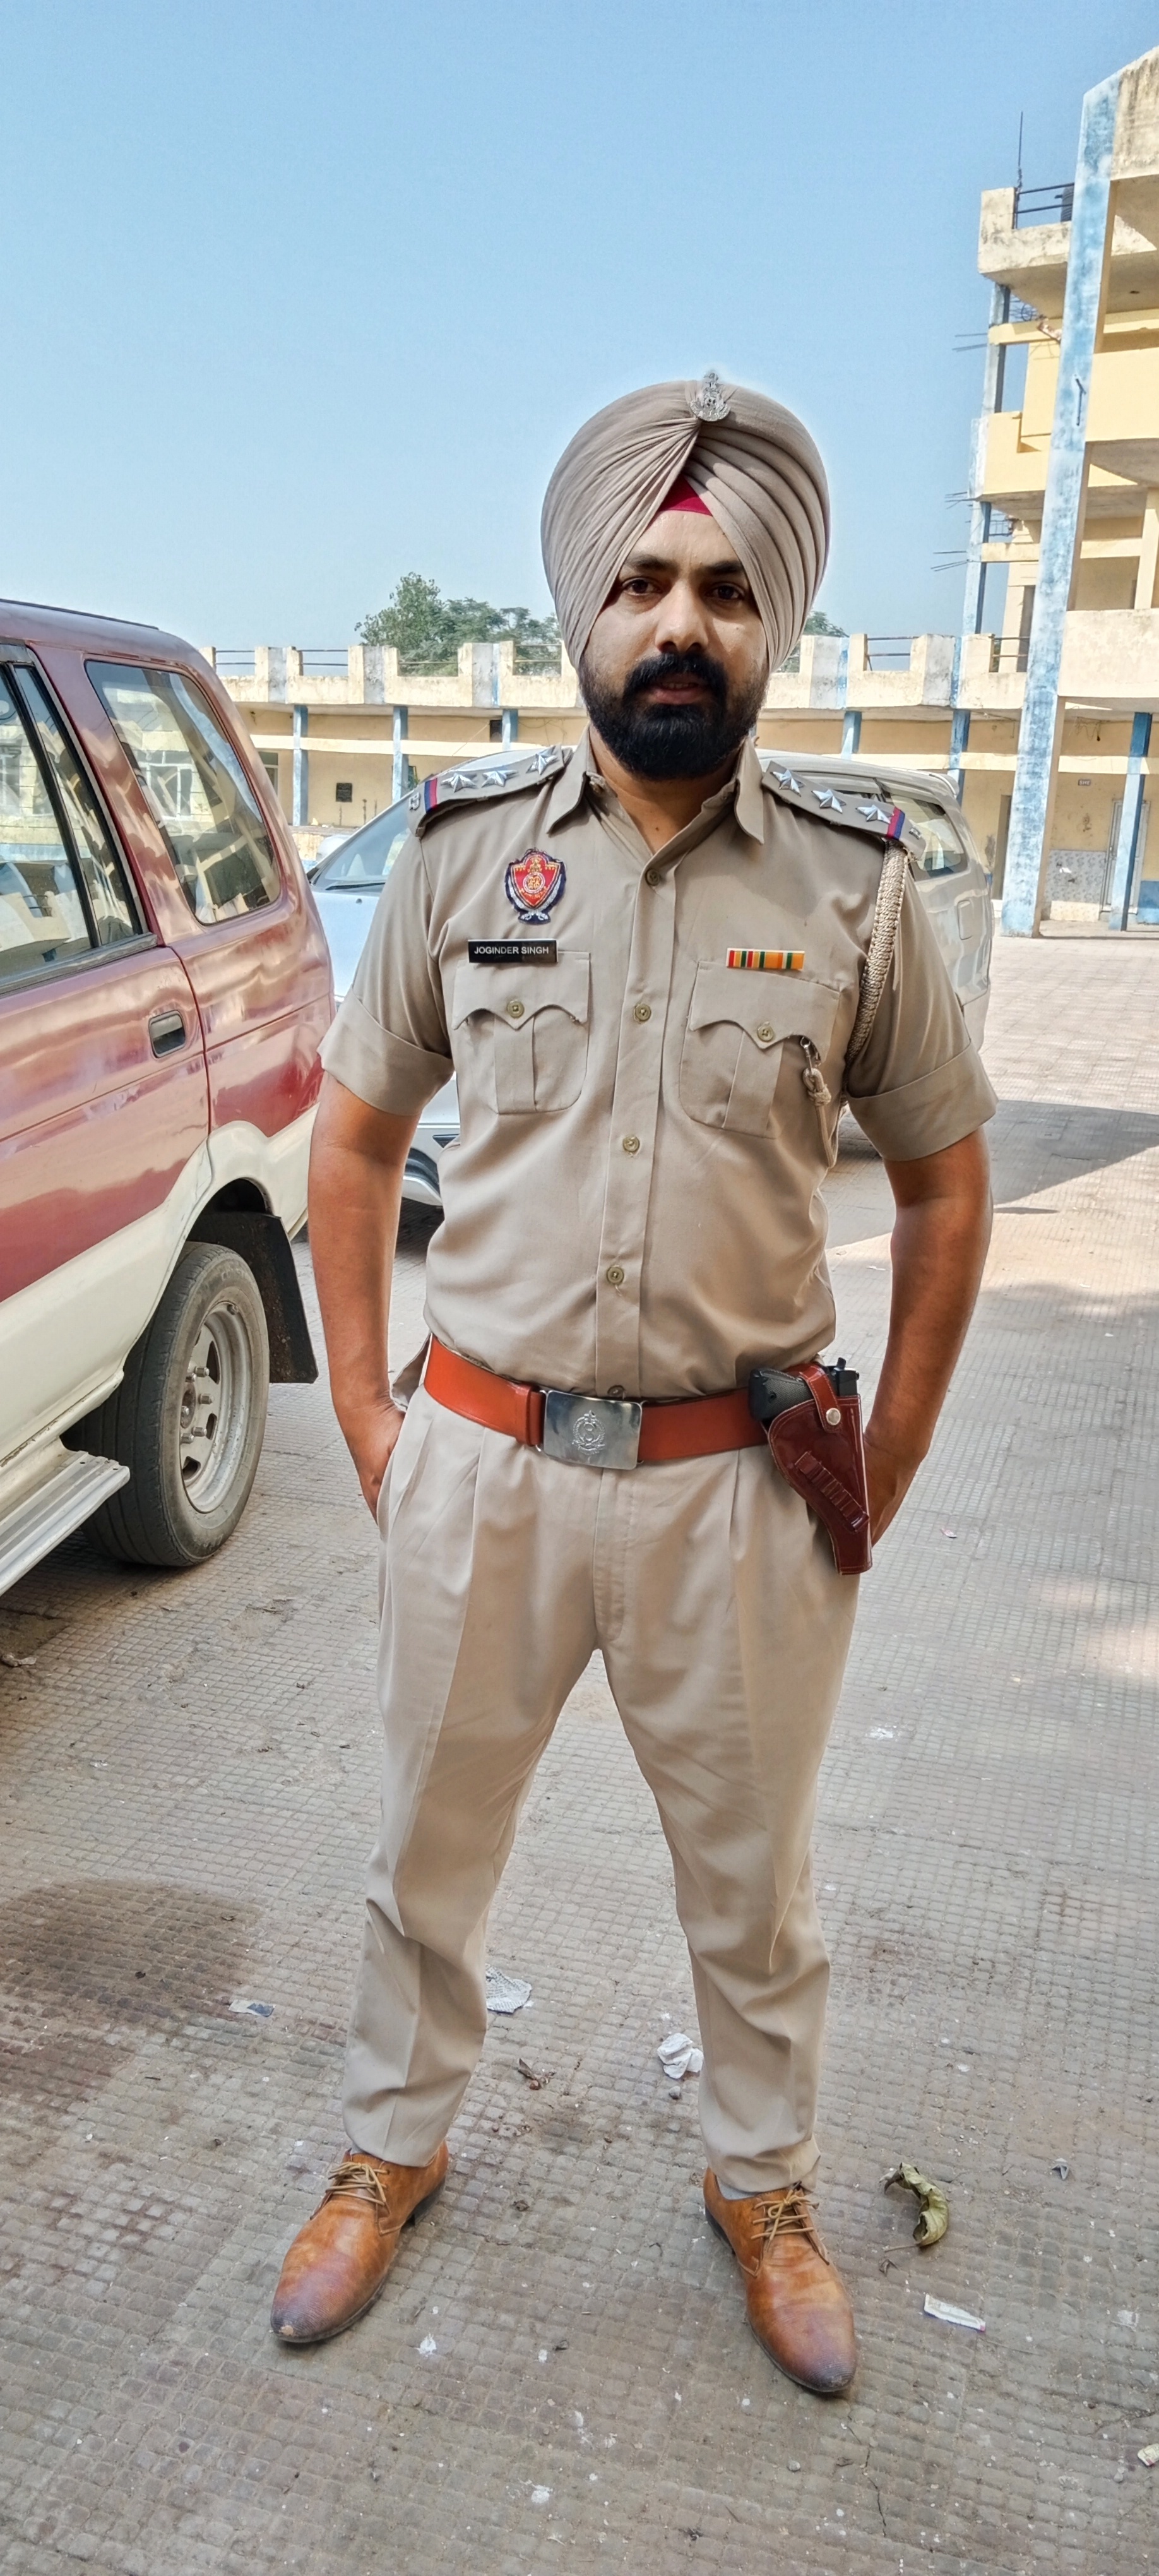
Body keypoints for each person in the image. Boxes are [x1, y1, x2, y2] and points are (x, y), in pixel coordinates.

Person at [270, 375, 994, 2394]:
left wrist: (884, 1463)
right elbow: (352, 1140)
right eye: (643, 584)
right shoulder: (461, 855)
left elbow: (945, 1186)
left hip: (736, 1492)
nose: (681, 623)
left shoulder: (854, 884)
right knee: (423, 1855)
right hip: (481, 1464)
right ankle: (390, 2148)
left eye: (727, 591)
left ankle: (761, 2187)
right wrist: (366, 1412)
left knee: (753, 1888)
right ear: (580, 611)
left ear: (775, 629)